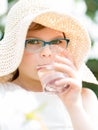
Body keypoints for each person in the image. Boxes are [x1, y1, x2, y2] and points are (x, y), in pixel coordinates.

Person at [0, 0, 98, 130]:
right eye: (33, 42)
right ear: (14, 49)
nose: (46, 52)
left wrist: (74, 107)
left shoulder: (83, 98)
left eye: (57, 41)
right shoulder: (3, 95)